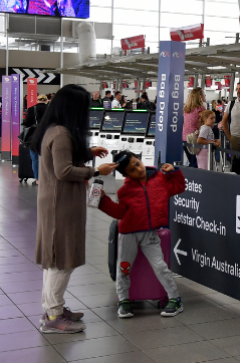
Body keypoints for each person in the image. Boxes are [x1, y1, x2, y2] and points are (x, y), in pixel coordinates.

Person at [32, 84, 117, 334]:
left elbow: (62, 159)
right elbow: (64, 171)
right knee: (62, 260)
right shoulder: (61, 134)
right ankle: (54, 315)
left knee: (54, 258)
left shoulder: (54, 130)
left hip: (56, 201)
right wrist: (96, 171)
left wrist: (87, 152)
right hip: (62, 204)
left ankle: (52, 309)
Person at [98, 151, 186, 318]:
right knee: (124, 268)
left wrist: (174, 172)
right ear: (126, 175)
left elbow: (179, 187)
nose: (138, 170)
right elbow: (118, 213)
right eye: (132, 170)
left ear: (140, 160)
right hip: (128, 235)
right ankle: (123, 301)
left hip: (150, 234)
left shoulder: (159, 179)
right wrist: (102, 201)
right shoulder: (125, 191)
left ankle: (175, 299)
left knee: (160, 266)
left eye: (137, 164)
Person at [23, 94, 48, 185]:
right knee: (48, 157)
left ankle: (37, 179)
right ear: (46, 100)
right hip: (47, 135)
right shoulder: (50, 109)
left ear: (37, 100)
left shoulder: (32, 109)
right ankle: (47, 178)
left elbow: (26, 122)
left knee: (35, 158)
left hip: (34, 136)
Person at [182, 87, 206, 168]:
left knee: (191, 161)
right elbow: (205, 123)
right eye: (203, 94)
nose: (205, 96)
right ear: (199, 96)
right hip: (195, 139)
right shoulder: (201, 108)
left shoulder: (186, 108)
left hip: (185, 138)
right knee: (196, 163)